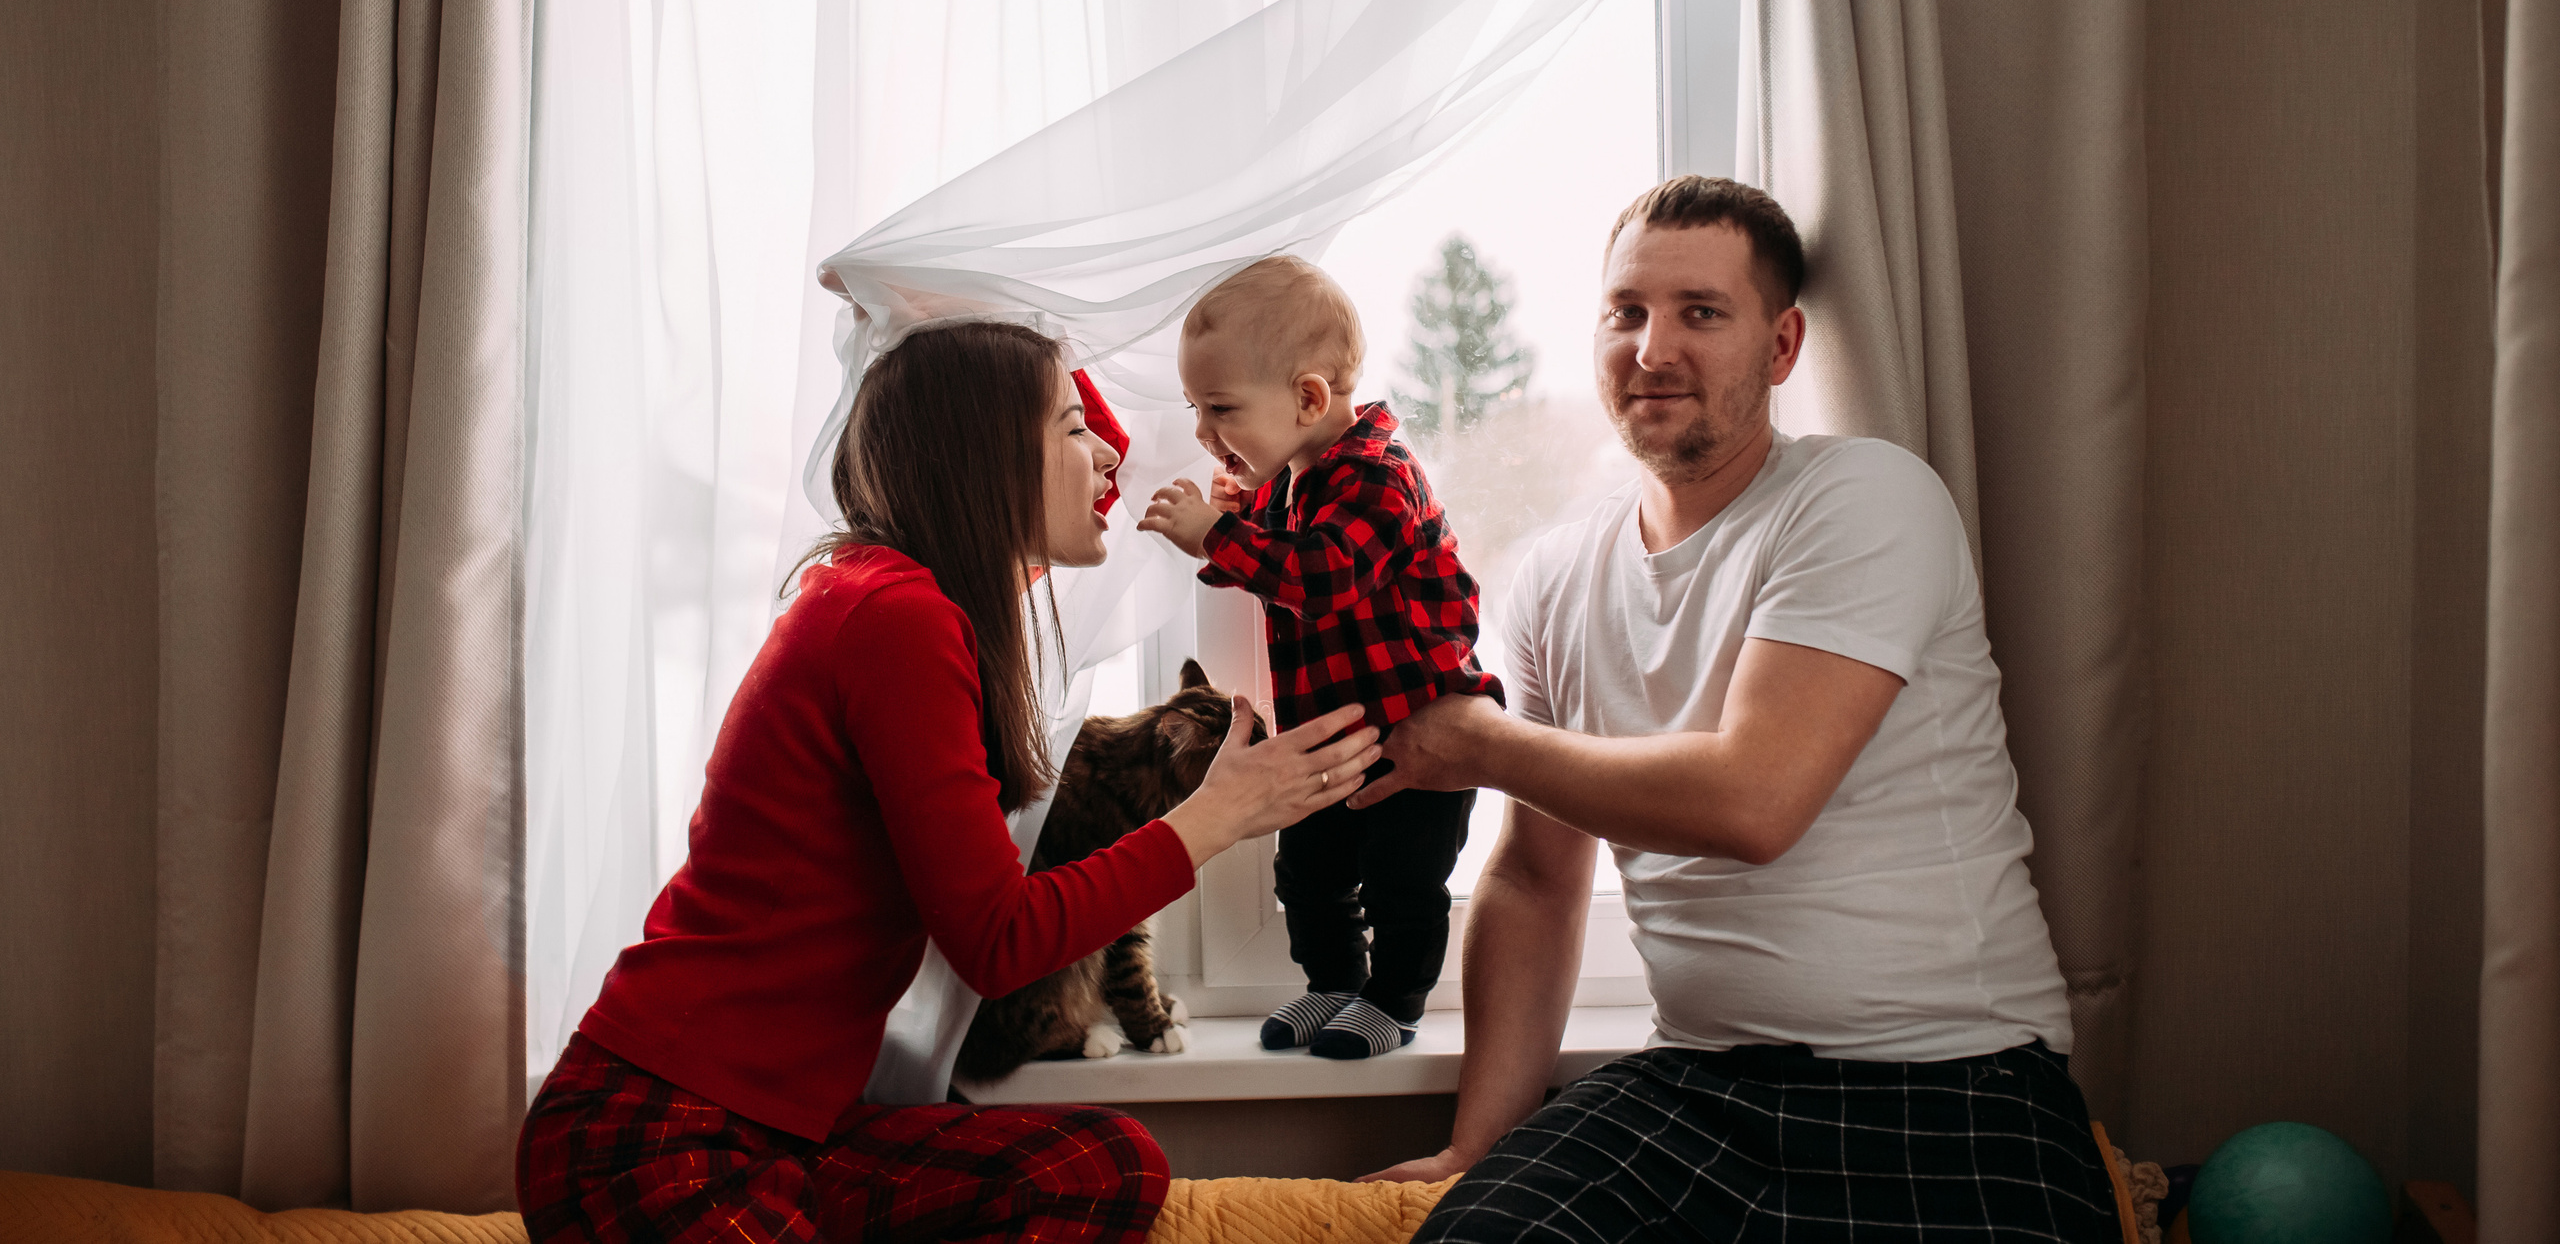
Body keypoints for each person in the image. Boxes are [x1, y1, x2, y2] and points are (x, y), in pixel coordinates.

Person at [1354, 178, 2121, 1242]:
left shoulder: (1862, 497)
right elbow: (1536, 877)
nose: (1652, 348)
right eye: (1626, 312)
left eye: (1700, 313)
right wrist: (1476, 1146)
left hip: (1953, 1080)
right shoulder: (1553, 576)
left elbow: (1753, 800)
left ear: (1782, 343)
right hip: (1698, 1090)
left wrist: (1481, 743)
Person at [516, 321, 1383, 1244]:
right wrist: (1216, 816)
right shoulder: (894, 615)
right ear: (988, 452)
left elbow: (1098, 456)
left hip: (790, 1134)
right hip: (658, 1129)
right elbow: (998, 941)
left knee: (1102, 1162)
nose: (1105, 459)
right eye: (1068, 426)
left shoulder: (901, 600)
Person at [1137, 257, 1502, 1061]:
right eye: (1199, 408)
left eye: (1221, 408)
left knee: (1404, 879)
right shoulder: (1292, 478)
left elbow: (1322, 577)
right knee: (1308, 870)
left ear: (1307, 397)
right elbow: (1267, 558)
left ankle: (1395, 996)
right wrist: (1232, 526)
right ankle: (1332, 983)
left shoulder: (1378, 474)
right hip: (1333, 736)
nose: (1206, 432)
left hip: (1416, 734)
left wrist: (1218, 534)